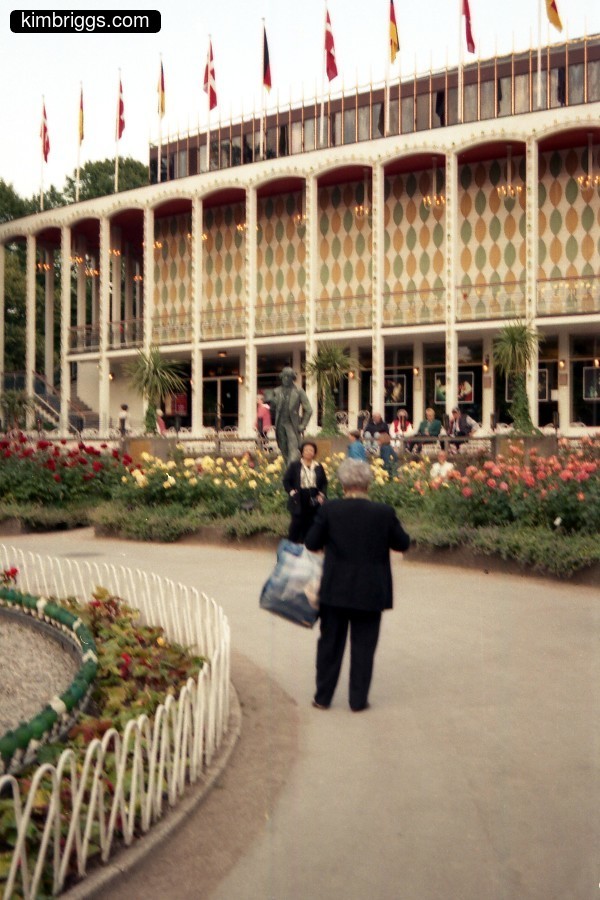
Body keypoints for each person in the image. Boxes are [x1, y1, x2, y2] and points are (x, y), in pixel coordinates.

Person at [305, 459, 410, 712]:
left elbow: (311, 542)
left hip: (334, 589)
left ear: (343, 484)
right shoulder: (384, 512)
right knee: (364, 647)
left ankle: (323, 697)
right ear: (368, 484)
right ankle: (358, 700)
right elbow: (402, 543)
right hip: (370, 590)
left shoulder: (330, 510)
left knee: (330, 645)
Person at [282, 440, 327, 544]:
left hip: (314, 497)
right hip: (299, 497)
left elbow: (324, 483)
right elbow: (286, 481)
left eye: (311, 450)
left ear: (314, 453)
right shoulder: (295, 465)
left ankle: (307, 547)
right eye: (306, 450)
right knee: (296, 524)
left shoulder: (318, 466)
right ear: (302, 452)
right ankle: (291, 547)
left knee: (311, 523)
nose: (309, 452)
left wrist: (322, 494)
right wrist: (292, 492)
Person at [272, 367, 313, 465]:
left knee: (294, 450)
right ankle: (288, 471)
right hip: (280, 424)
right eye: (284, 377)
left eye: (288, 377)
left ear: (292, 378)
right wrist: (273, 404)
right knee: (283, 449)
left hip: (292, 425)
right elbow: (273, 410)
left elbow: (309, 410)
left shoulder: (299, 391)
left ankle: (292, 470)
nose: (286, 379)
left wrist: (303, 425)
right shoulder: (276, 391)